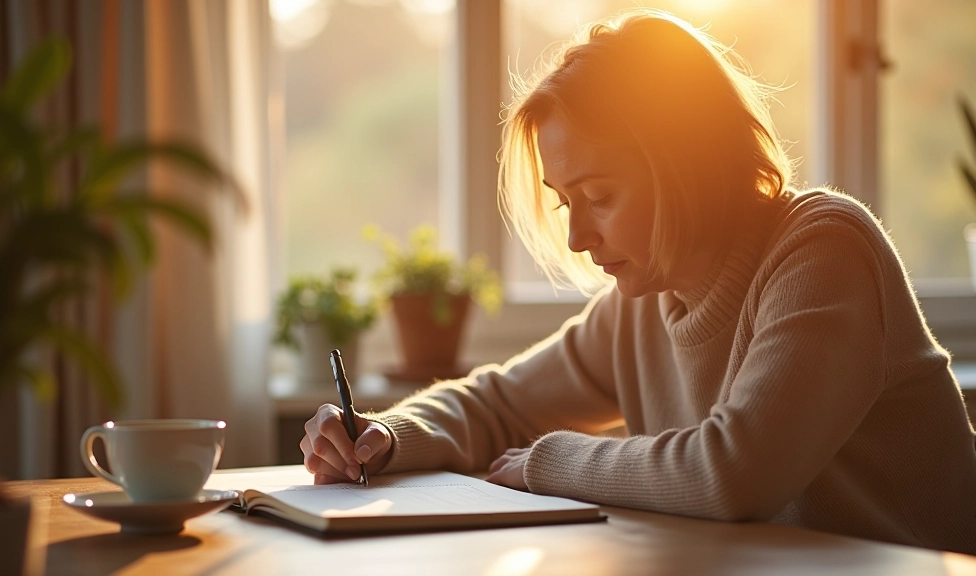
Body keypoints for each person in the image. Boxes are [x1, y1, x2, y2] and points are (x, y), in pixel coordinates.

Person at [300, 8, 976, 554]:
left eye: (598, 195)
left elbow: (736, 473)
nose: (576, 237)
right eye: (567, 202)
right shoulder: (643, 302)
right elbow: (497, 404)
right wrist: (382, 435)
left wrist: (546, 463)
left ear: (687, 162)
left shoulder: (824, 251)